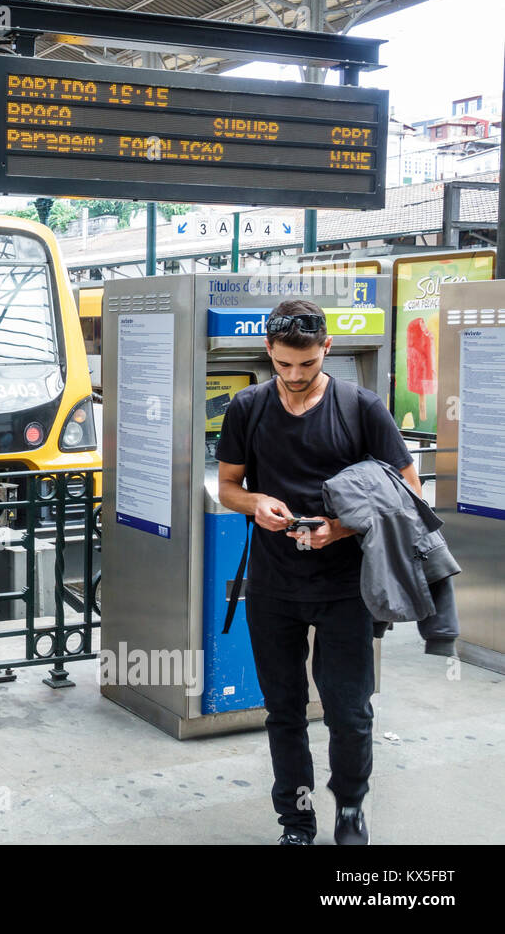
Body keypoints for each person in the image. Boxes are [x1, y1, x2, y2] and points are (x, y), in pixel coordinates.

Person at [215, 298, 420, 845]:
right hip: (273, 585)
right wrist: (255, 503)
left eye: (306, 364)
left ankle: (350, 810)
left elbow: (410, 493)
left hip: (346, 588)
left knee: (350, 711)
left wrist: (343, 528)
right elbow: (228, 485)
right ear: (269, 352)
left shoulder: (361, 407)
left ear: (326, 349)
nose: (295, 376)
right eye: (284, 364)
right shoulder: (248, 408)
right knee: (282, 710)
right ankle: (297, 821)